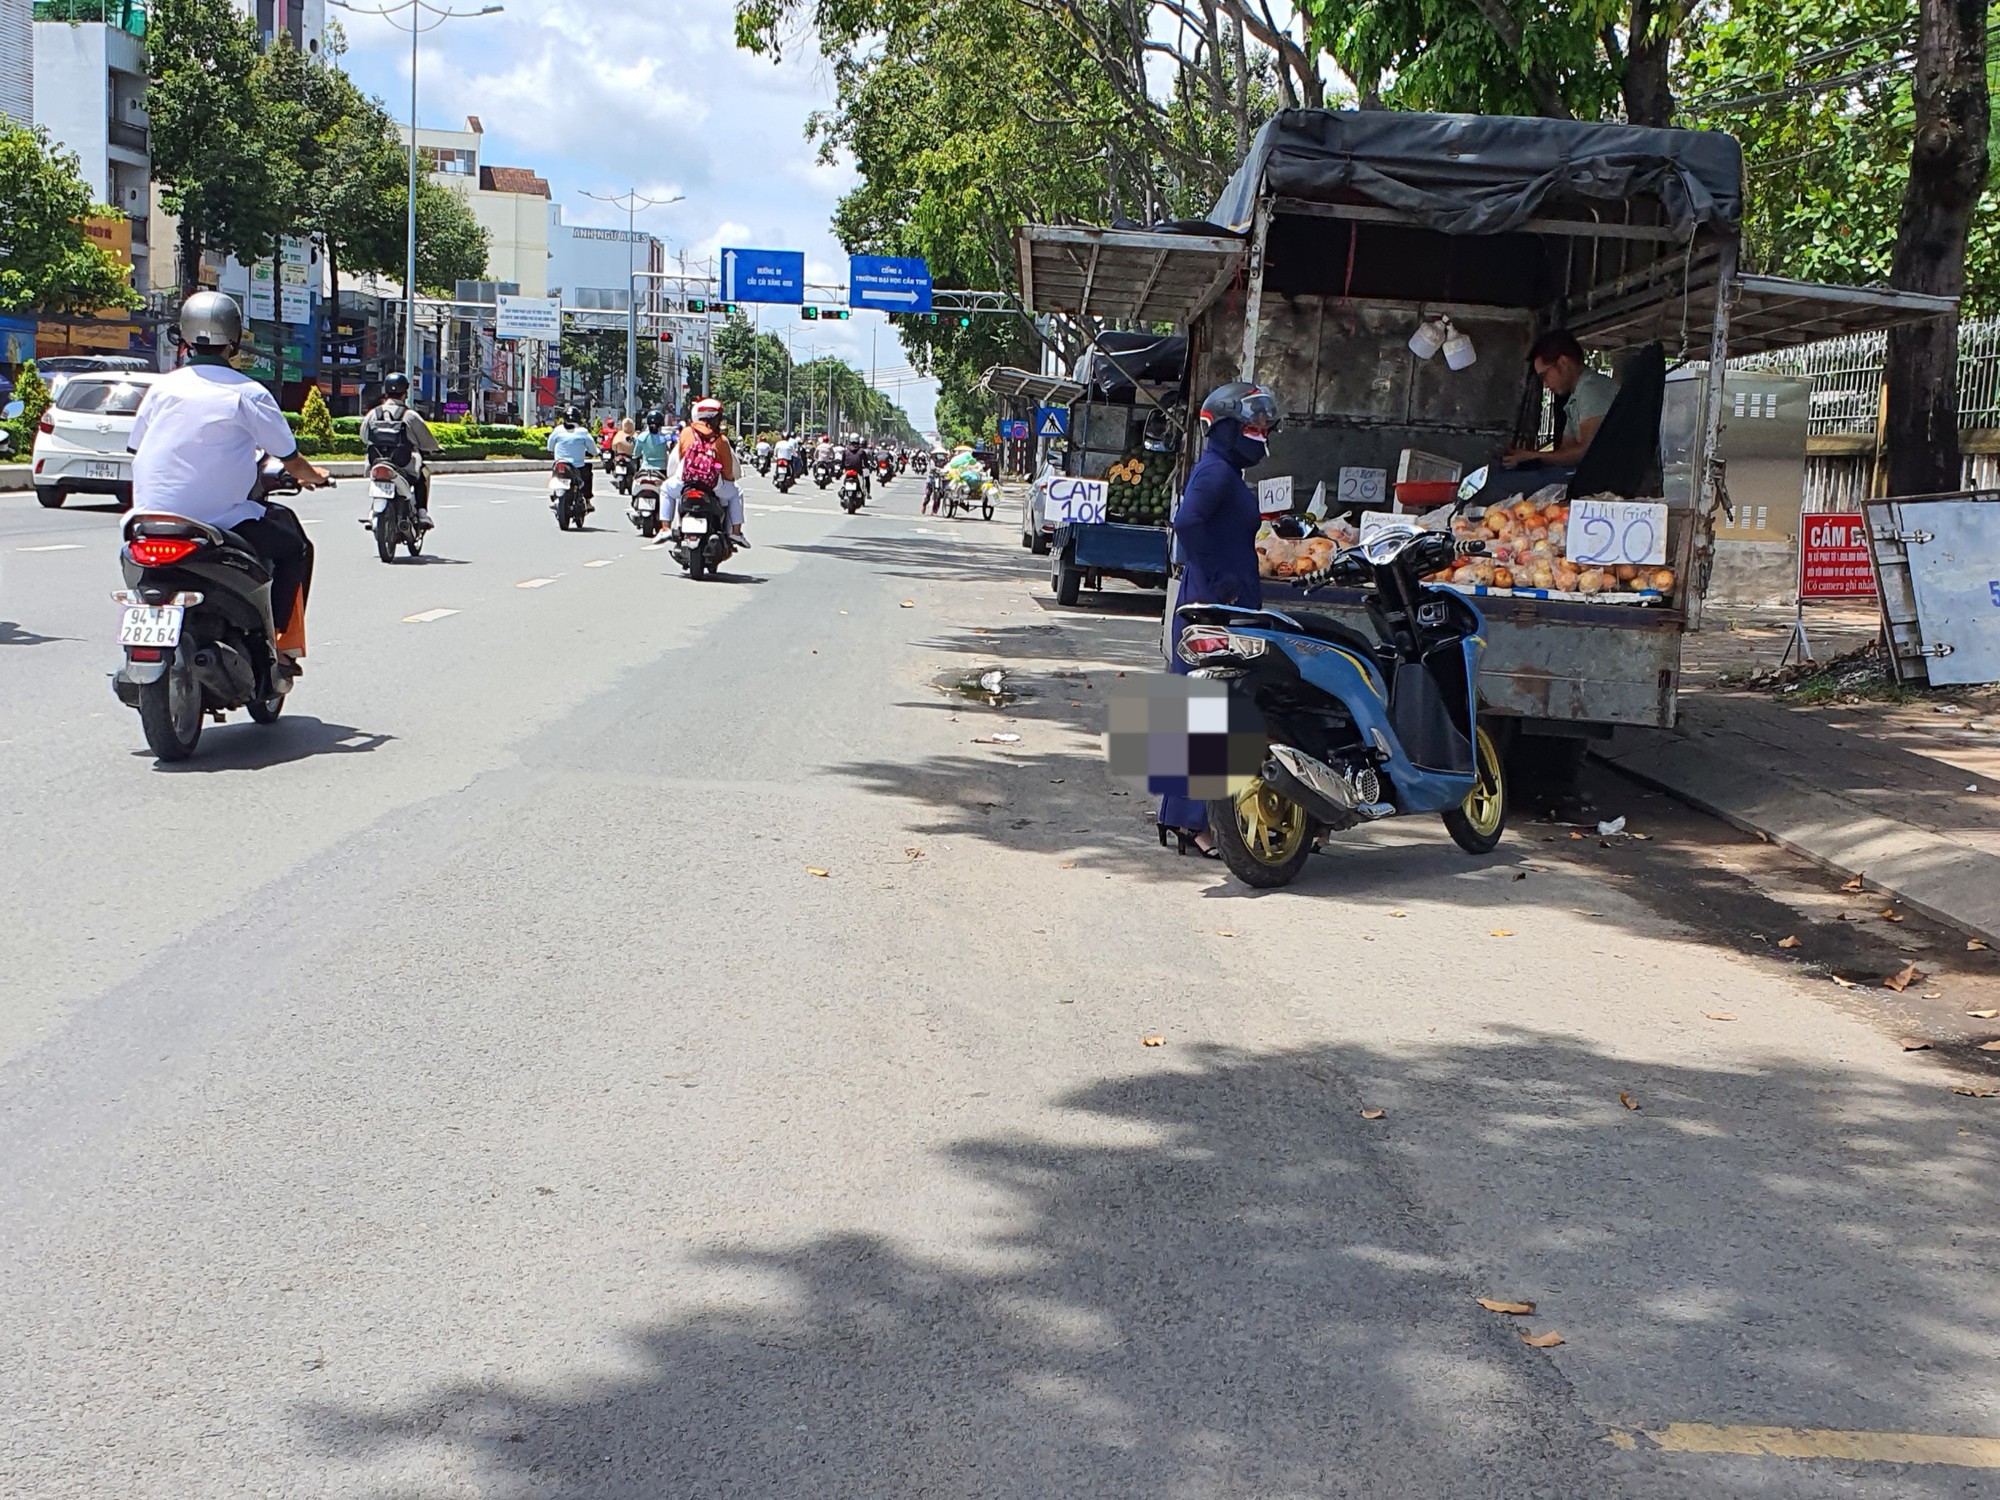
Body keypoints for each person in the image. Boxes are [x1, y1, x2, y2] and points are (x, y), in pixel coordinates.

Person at [128, 292, 330, 673]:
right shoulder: (247, 393)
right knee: (296, 548)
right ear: (234, 342)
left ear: (183, 339)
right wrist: (315, 476)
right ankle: (280, 645)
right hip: (220, 521)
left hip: (147, 521)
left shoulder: (162, 389)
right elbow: (291, 458)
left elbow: (135, 446)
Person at [1157, 380, 1276, 859]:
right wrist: (1219, 579)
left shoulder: (1226, 472)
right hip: (1210, 607)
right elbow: (1187, 524)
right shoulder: (1217, 473)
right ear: (1224, 427)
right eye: (1251, 424)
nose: (1260, 432)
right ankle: (1192, 824)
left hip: (1221, 602)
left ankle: (1183, 818)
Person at [1504, 330, 1618, 470]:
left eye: (1544, 375)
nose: (1545, 384)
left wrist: (1532, 456)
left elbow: (1587, 451)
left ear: (1563, 363)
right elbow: (1566, 451)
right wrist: (1526, 456)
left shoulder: (1592, 389)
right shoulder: (1576, 397)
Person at [359, 371, 443, 527]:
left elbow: (364, 437)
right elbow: (427, 442)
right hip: (404, 465)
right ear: (405, 393)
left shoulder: (372, 414)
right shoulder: (409, 415)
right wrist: (436, 448)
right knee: (423, 473)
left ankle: (372, 512)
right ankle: (422, 513)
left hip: (375, 463)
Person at [673, 396, 747, 545]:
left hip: (687, 483)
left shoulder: (686, 433)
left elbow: (680, 460)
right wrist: (729, 480)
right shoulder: (720, 440)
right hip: (712, 485)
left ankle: (674, 527)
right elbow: (727, 471)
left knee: (673, 493)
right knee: (736, 492)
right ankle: (736, 532)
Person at [548, 405, 599, 507]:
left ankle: (554, 495)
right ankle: (588, 501)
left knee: (555, 472)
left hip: (560, 463)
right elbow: (593, 450)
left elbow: (549, 446)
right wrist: (596, 452)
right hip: (578, 466)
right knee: (587, 475)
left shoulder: (558, 430)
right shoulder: (583, 432)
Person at [632, 408, 672, 473]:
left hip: (645, 469)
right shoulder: (666, 438)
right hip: (662, 470)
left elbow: (636, 453)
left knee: (635, 482)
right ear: (662, 423)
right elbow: (671, 452)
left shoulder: (642, 437)